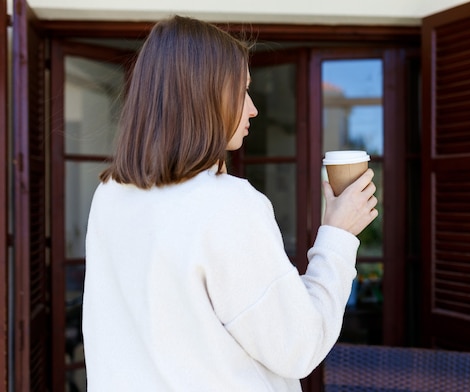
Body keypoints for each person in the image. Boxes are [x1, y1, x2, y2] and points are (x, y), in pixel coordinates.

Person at [82, 15, 378, 392]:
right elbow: (298, 346)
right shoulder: (227, 206)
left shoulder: (109, 197)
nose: (253, 108)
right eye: (242, 91)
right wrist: (337, 235)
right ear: (203, 94)